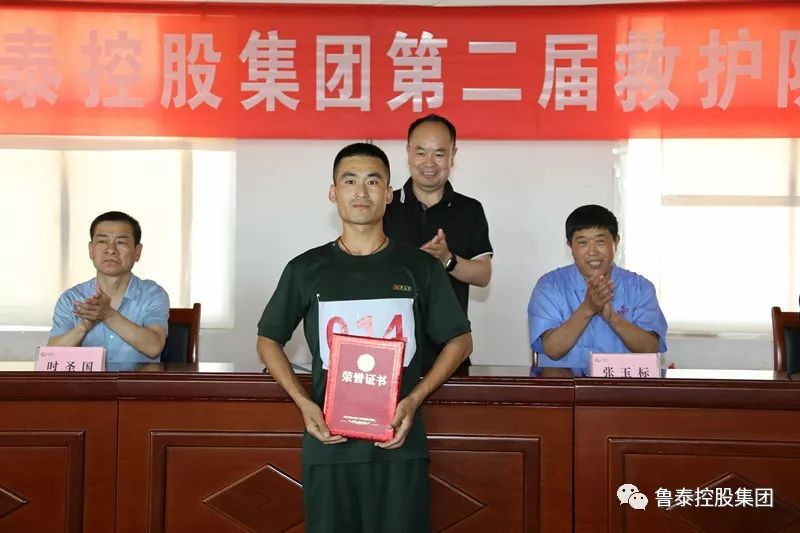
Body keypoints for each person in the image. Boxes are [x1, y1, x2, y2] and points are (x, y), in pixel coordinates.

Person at [257, 142, 472, 533]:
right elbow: (267, 339)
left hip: (399, 445)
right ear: (333, 192)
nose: (361, 191)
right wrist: (303, 403)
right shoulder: (305, 269)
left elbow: (460, 340)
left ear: (388, 194)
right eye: (349, 181)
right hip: (329, 446)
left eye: (373, 182)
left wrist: (414, 399)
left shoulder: (420, 267)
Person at [383, 113, 492, 371]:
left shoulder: (470, 209)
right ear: (408, 152)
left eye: (439, 154)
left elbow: (483, 275)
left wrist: (447, 260)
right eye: (421, 152)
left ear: (453, 155)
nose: (429, 163)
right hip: (390, 349)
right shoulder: (385, 206)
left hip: (449, 351)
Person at [528, 204, 667, 375]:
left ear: (616, 241)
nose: (592, 251)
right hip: (565, 385)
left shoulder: (640, 288)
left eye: (600, 241)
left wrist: (613, 318)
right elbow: (552, 350)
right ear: (570, 246)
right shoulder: (549, 286)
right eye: (583, 243)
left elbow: (650, 349)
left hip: (620, 385)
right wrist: (588, 308)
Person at [47, 211, 169, 363]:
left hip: (138, 379)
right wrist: (83, 327)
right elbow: (51, 356)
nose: (111, 249)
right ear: (91, 250)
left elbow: (154, 347)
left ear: (137, 252)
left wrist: (108, 315)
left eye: (121, 242)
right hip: (88, 379)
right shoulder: (72, 298)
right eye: (102, 241)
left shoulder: (153, 294)